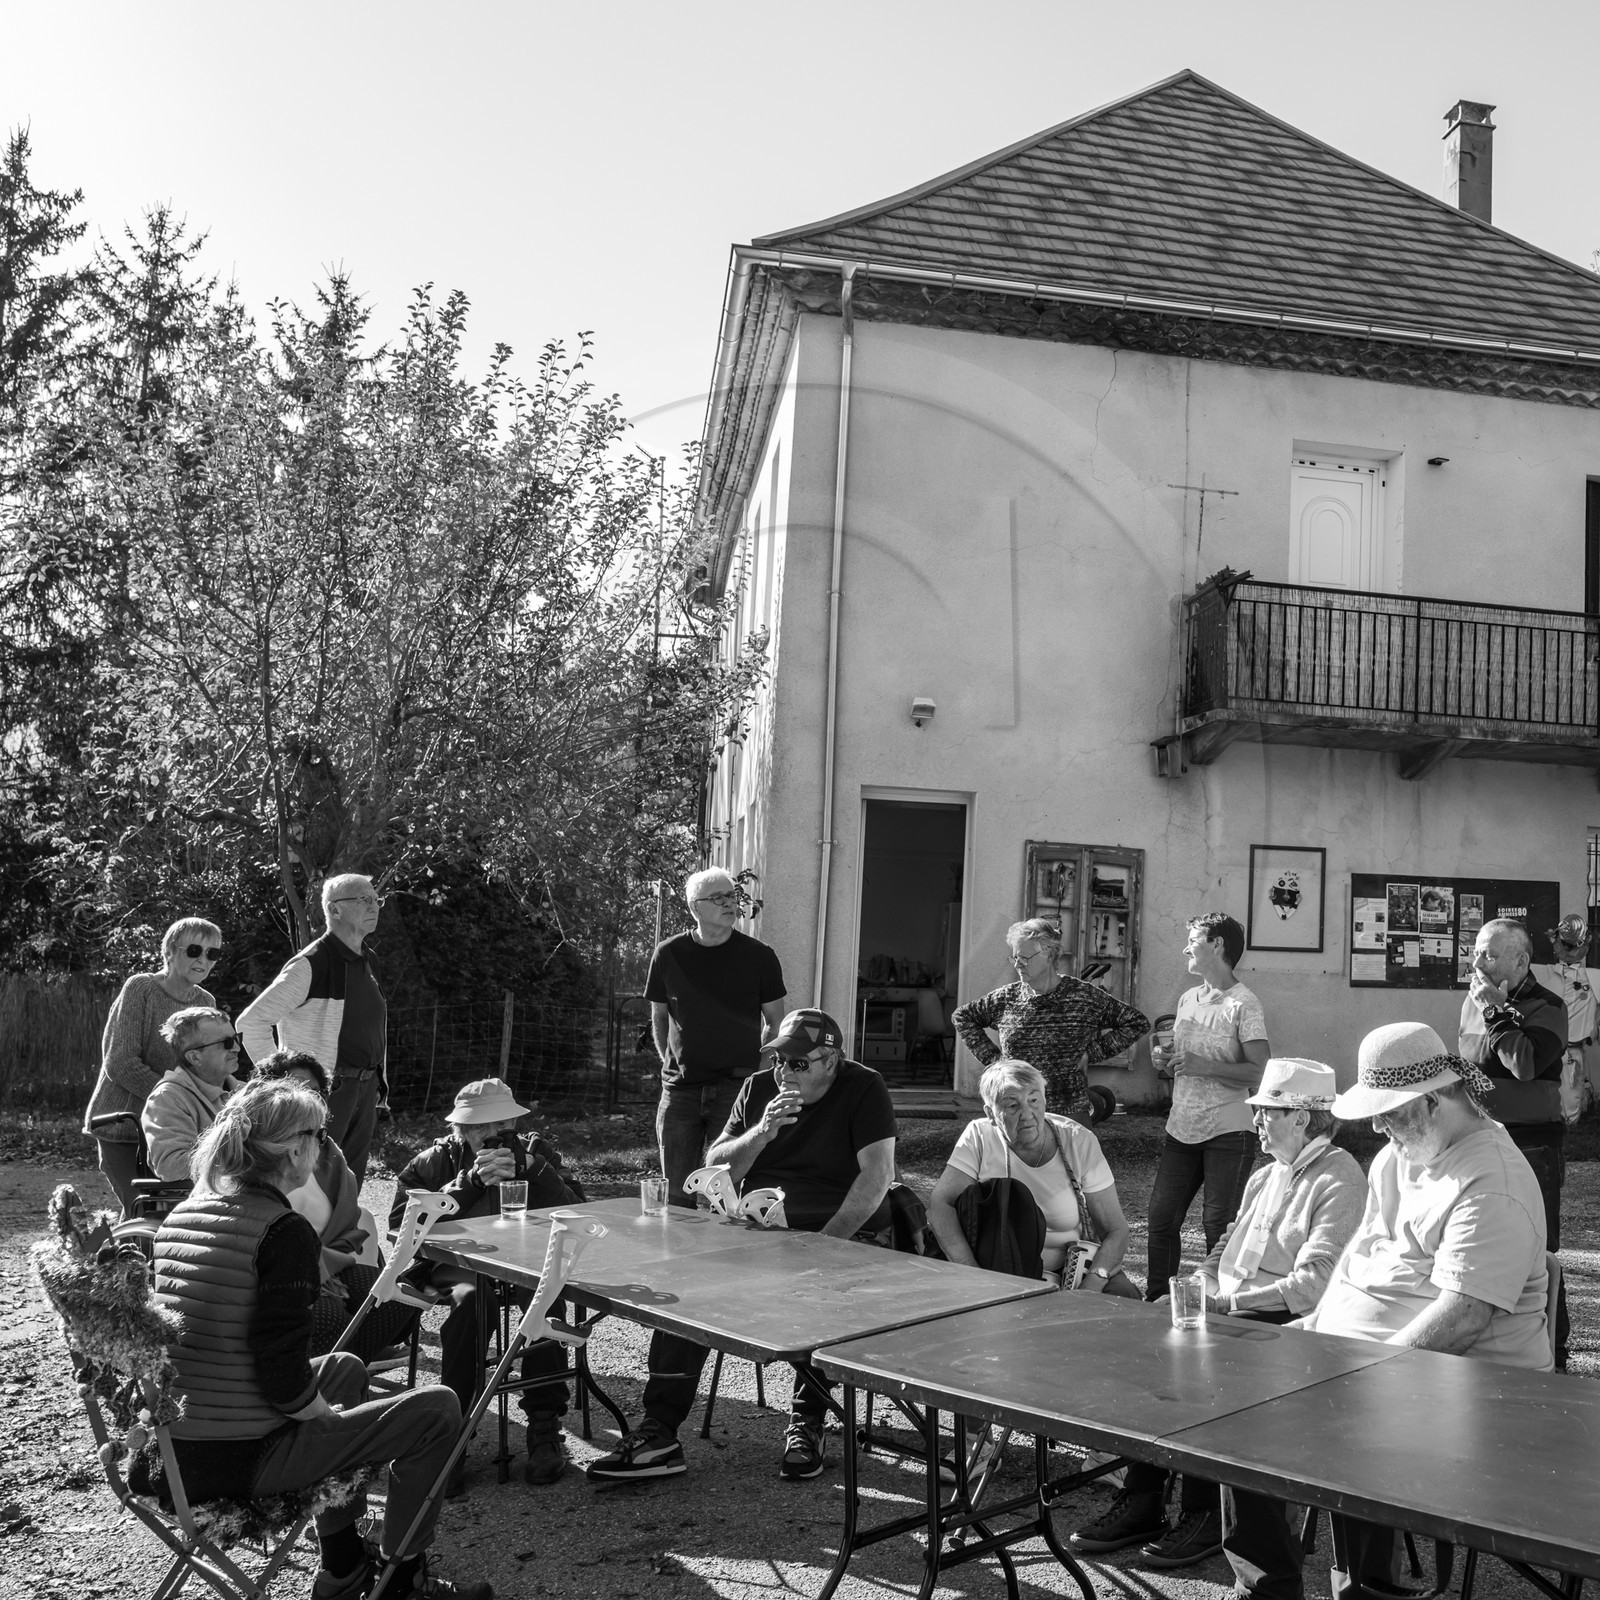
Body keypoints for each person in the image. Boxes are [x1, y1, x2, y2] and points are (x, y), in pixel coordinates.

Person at [1222, 1023, 1551, 1600]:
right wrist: (1308, 1335)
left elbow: (1463, 1320)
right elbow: (1357, 1265)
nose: (1375, 1126)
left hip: (1478, 1394)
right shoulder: (1399, 1158)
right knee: (1235, 1410)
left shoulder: (1491, 1181)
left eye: (1386, 1113)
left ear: (1431, 1102)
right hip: (1379, 1368)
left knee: (1341, 1424)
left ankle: (1364, 1589)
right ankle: (1273, 1589)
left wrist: (1351, 1376)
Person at [152, 1078, 488, 1600]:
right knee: (438, 1409)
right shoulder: (282, 1230)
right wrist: (326, 1420)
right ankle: (403, 1580)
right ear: (292, 1150)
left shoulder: (183, 1215)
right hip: (240, 1458)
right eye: (320, 1135)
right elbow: (282, 1376)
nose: (326, 1146)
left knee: (346, 1367)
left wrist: (327, 1414)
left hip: (178, 1447)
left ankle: (343, 1565)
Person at [587, 1008, 895, 1484]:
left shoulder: (863, 1086)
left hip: (836, 1233)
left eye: (798, 1064)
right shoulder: (759, 1088)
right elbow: (716, 1165)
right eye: (779, 1062)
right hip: (760, 1227)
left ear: (831, 1061)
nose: (784, 1073)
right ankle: (660, 1433)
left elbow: (877, 1178)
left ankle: (806, 1423)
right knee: (686, 1286)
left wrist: (827, 1245)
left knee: (821, 1284)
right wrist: (762, 1133)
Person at [1076, 1060, 1364, 1567]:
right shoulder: (1267, 1175)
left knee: (1201, 1361)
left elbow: (1313, 1286)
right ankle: (1144, 1498)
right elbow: (1223, 1254)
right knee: (1159, 1342)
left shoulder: (1339, 1175)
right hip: (1238, 1312)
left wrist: (1223, 1305)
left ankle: (1205, 1512)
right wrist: (1191, 1291)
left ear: (1301, 1117)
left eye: (1265, 1111)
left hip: (1293, 1326)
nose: (1255, 1120)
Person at [391, 1078, 582, 1492]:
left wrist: (534, 1171)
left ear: (514, 1119)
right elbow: (400, 1229)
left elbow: (581, 1211)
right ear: (459, 1128)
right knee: (472, 1302)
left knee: (544, 1298)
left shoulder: (537, 1153)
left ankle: (544, 1428)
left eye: (498, 1124)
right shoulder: (436, 1160)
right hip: (459, 1267)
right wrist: (469, 1184)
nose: (489, 1135)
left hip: (529, 1261)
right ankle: (453, 1434)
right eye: (477, 1127)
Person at [249, 1050, 418, 1363]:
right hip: (281, 1265)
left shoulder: (324, 1145)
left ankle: (344, 1372)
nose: (304, 1097)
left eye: (314, 1090)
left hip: (332, 1256)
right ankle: (322, 1383)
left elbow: (350, 1216)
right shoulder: (255, 1148)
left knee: (396, 1299)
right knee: (328, 1319)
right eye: (292, 1087)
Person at [1457, 917, 1569, 1367]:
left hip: (1532, 1144)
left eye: (1489, 953)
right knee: (1484, 1240)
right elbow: (1469, 1065)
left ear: (1521, 961)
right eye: (1477, 952)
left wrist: (1493, 1011)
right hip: (1480, 1139)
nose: (1477, 962)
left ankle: (1553, 1352)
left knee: (1538, 1248)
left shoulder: (1549, 1005)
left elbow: (1523, 1063)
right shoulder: (1475, 1002)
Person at [927, 1058, 1140, 1294]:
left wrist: (1092, 1284)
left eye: (1034, 1100)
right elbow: (940, 1204)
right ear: (990, 1113)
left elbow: (1116, 1230)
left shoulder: (1079, 1140)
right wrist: (970, 1272)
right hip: (998, 1269)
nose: (1027, 1114)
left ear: (1045, 1100)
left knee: (1124, 1298)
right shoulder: (980, 1136)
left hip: (1071, 1273)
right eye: (1012, 1106)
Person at [645, 867, 787, 1208]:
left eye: (732, 896)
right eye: (718, 897)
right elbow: (660, 1016)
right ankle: (677, 1261)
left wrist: (759, 1071)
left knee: (725, 1195)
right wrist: (670, 1061)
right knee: (676, 1196)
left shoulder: (759, 957)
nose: (730, 903)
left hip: (735, 1091)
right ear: (695, 907)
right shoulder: (668, 954)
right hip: (680, 1092)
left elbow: (776, 1022)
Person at [1144, 912, 1269, 1300]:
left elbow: (1262, 1072)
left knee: (1218, 1226)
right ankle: (1153, 1302)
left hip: (1229, 1132)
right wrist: (1167, 1062)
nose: (1186, 947)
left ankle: (1222, 1306)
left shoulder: (1244, 1004)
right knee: (1161, 1220)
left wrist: (1203, 1066)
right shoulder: (1186, 998)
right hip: (1180, 1127)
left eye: (1194, 939)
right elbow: (1186, 1059)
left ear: (1217, 946)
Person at [238, 874, 389, 1185]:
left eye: (376, 899)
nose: (374, 905)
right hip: (325, 1094)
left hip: (364, 1089)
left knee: (348, 1186)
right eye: (363, 899)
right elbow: (251, 1023)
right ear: (334, 910)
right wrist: (286, 1087)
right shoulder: (311, 963)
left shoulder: (366, 958)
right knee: (311, 1186)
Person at [82, 917, 224, 1216]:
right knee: (146, 1212)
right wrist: (174, 1098)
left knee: (164, 1213)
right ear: (170, 951)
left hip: (174, 1129)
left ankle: (110, 1259)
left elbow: (203, 1067)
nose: (203, 959)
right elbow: (120, 1063)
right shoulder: (141, 988)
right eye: (195, 950)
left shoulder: (206, 1001)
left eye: (213, 953)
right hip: (122, 1125)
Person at [953, 919, 1150, 1122]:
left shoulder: (1083, 996)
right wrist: (996, 1062)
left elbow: (1136, 1022)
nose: (1018, 965)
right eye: (1014, 958)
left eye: (1024, 958)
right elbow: (963, 1017)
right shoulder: (1006, 998)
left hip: (1069, 1112)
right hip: (1016, 1113)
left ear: (1048, 953)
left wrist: (1092, 1053)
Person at [141, 1007, 243, 1181]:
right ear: (195, 1058)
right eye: (226, 1043)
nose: (237, 1048)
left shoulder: (245, 1091)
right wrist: (241, 1151)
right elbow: (172, 1166)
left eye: (236, 1039)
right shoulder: (167, 1098)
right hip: (204, 1202)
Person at [1531, 911, 1598, 1121]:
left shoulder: (1594, 978)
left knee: (1571, 1098)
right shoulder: (1541, 974)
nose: (1569, 949)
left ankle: (1568, 1128)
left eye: (1573, 944)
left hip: (1573, 1051)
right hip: (1544, 1049)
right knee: (1546, 1094)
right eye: (1565, 943)